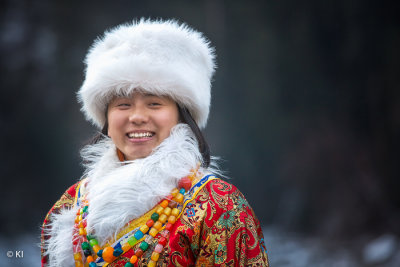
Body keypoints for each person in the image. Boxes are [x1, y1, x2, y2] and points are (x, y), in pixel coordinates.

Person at [41, 19, 269, 267]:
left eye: (154, 104)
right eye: (123, 104)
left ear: (182, 115)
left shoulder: (219, 206)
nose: (137, 117)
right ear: (105, 116)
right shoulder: (70, 206)